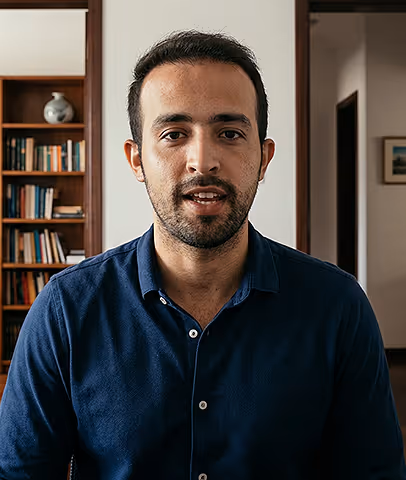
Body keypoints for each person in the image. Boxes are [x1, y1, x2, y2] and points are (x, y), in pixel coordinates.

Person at [0, 30, 405, 480]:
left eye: (229, 133)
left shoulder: (338, 307)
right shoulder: (65, 310)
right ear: (136, 160)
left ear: (263, 158)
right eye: (174, 134)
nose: (203, 160)